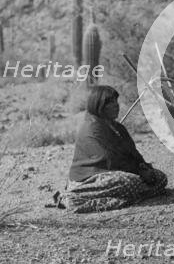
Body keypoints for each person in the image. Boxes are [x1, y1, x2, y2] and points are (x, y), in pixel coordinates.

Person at [64, 85, 167, 213]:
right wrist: (139, 172)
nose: (116, 105)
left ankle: (124, 197)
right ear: (98, 106)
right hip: (90, 178)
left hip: (121, 172)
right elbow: (109, 160)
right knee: (130, 182)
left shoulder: (118, 128)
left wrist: (144, 167)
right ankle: (76, 199)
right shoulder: (92, 128)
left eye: (115, 101)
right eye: (110, 102)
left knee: (160, 178)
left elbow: (133, 154)